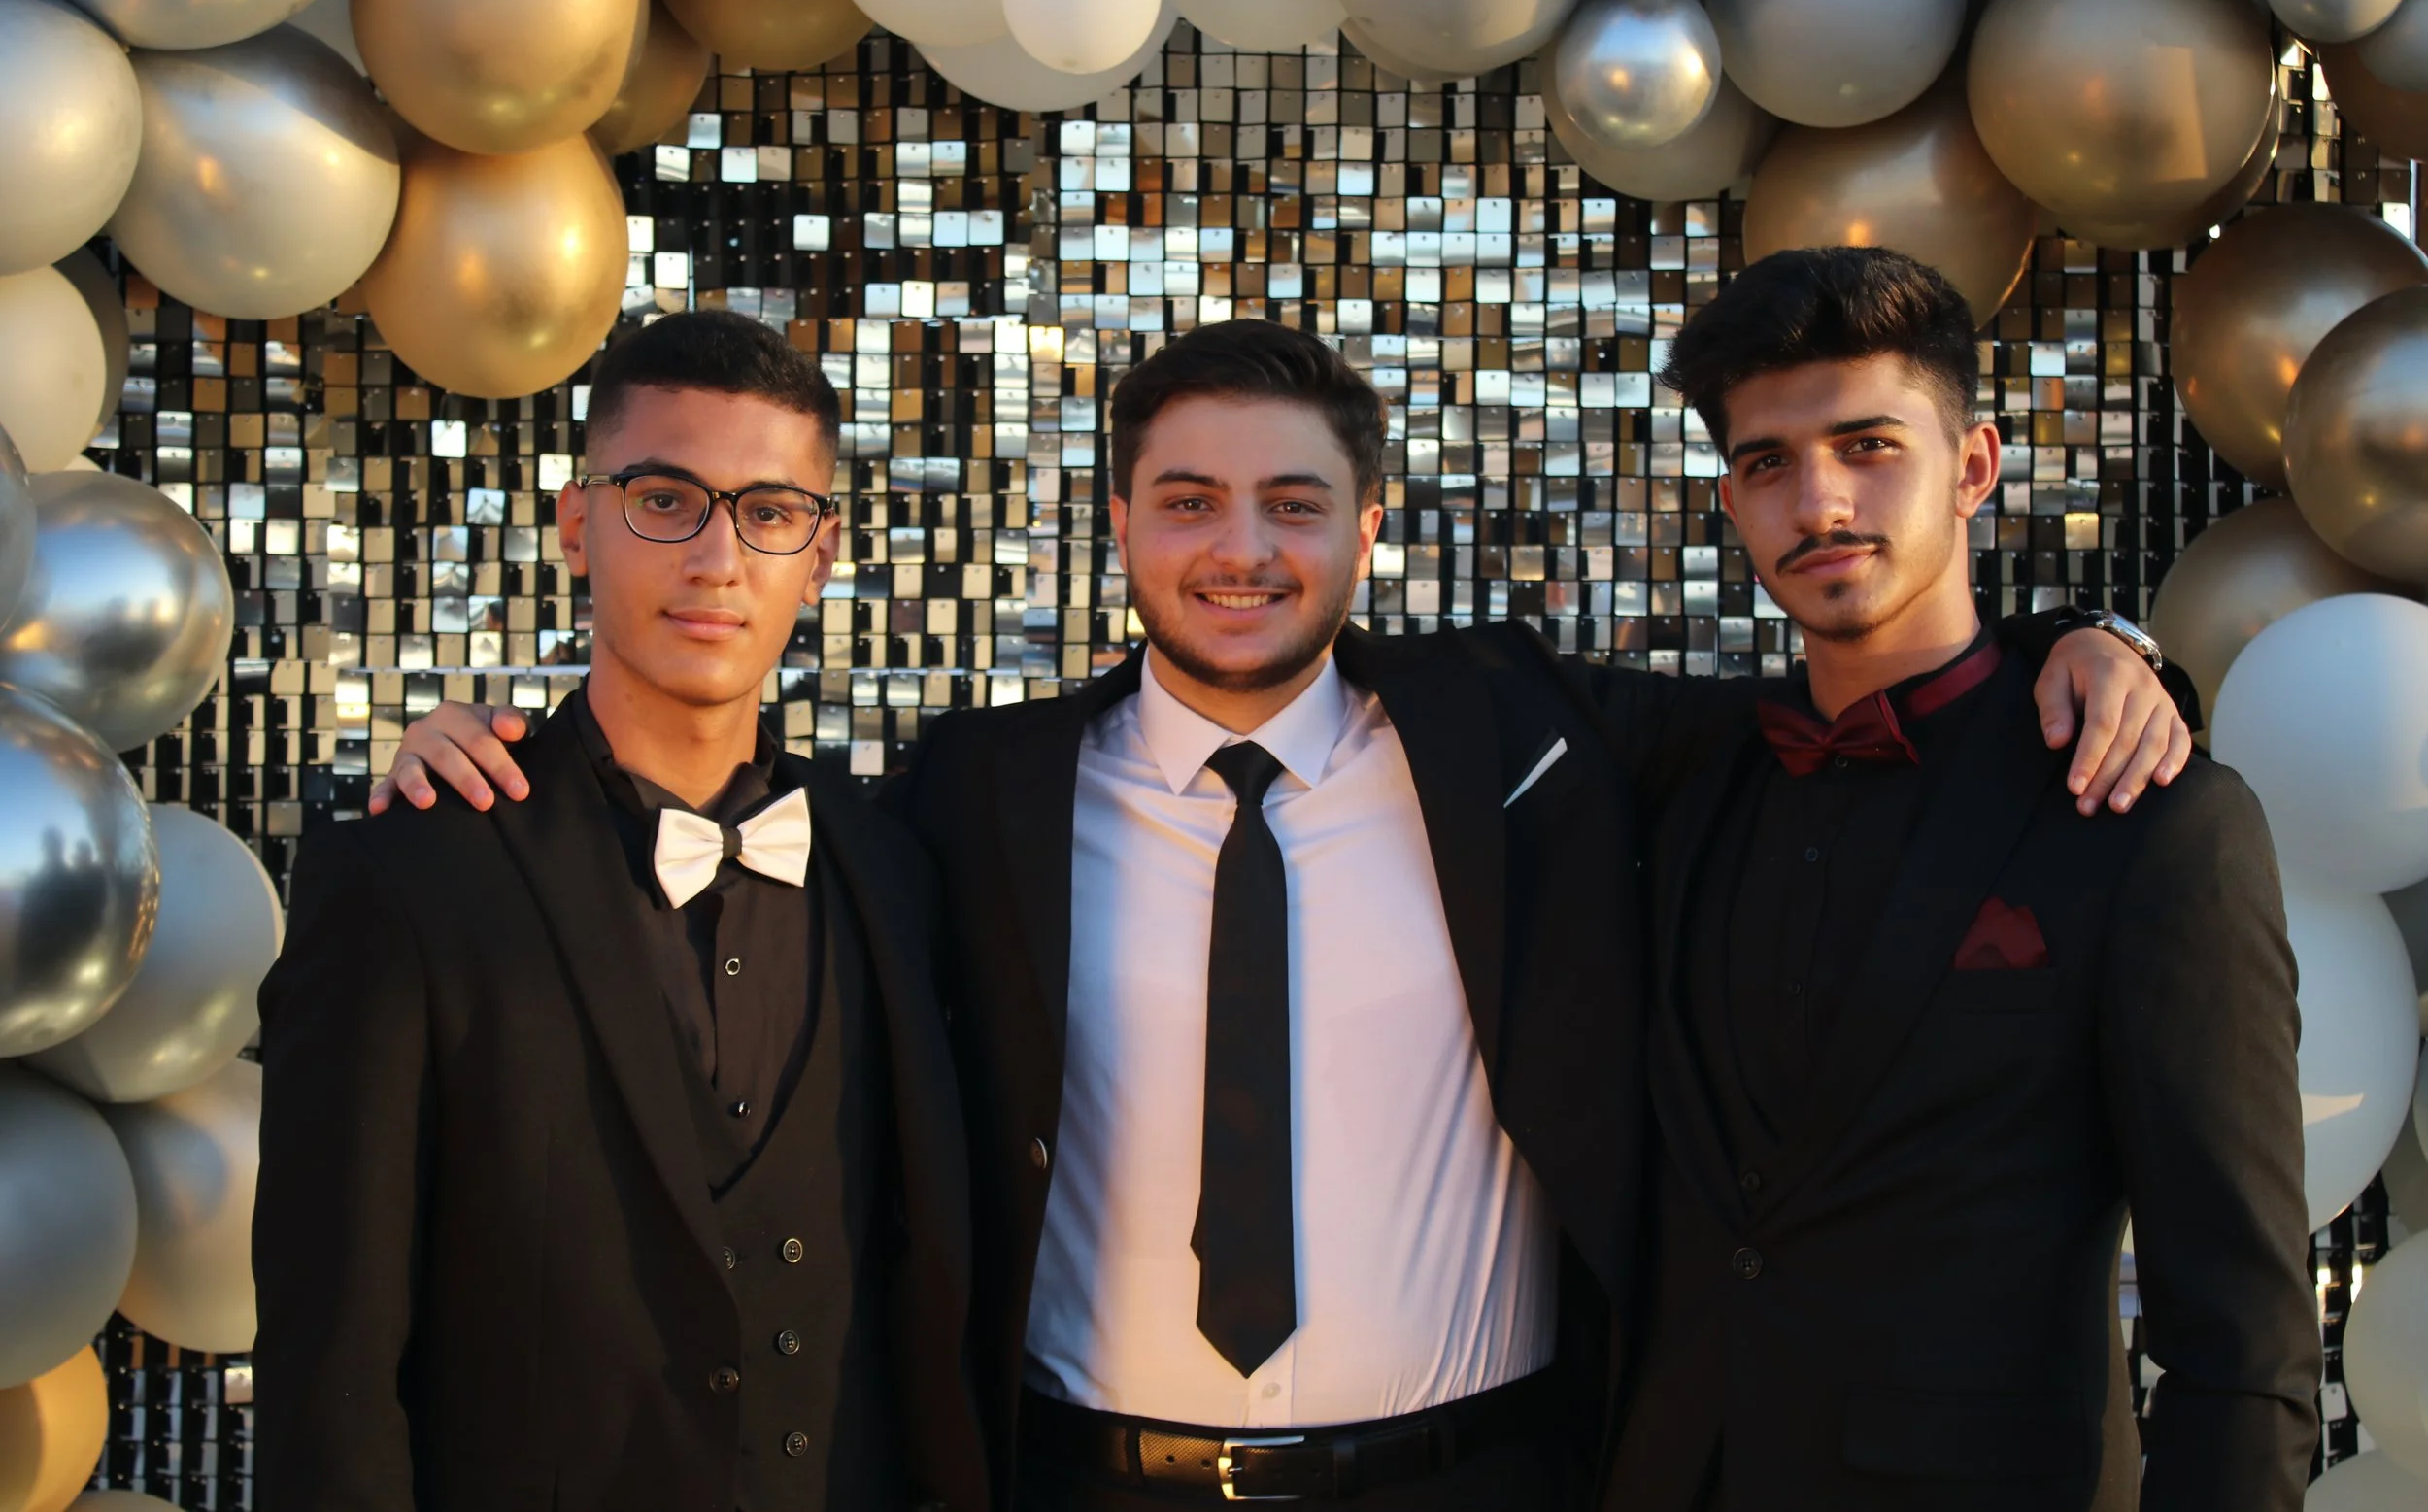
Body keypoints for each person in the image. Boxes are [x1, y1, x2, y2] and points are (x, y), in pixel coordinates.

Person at [375, 319, 2190, 1509]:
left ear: (1368, 528)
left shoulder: (1528, 737)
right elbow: (698, 802)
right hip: (1090, 1478)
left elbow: (1856, 698)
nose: (1240, 546)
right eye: (1189, 499)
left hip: (1479, 1477)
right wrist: (487, 746)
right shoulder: (964, 798)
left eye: (1293, 502)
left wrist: (2096, 647)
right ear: (1118, 524)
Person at [1592, 248, 2316, 1512]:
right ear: (1731, 499)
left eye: (1868, 443)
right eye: (1769, 461)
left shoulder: (2148, 817)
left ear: (1974, 466)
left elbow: (2242, 1324)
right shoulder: (1681, 770)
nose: (1818, 500)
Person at [252, 311, 988, 1512]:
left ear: (822, 551)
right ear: (576, 521)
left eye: (769, 511)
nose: (717, 559)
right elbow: (329, 1363)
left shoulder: (900, 869)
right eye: (665, 498)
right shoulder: (407, 876)